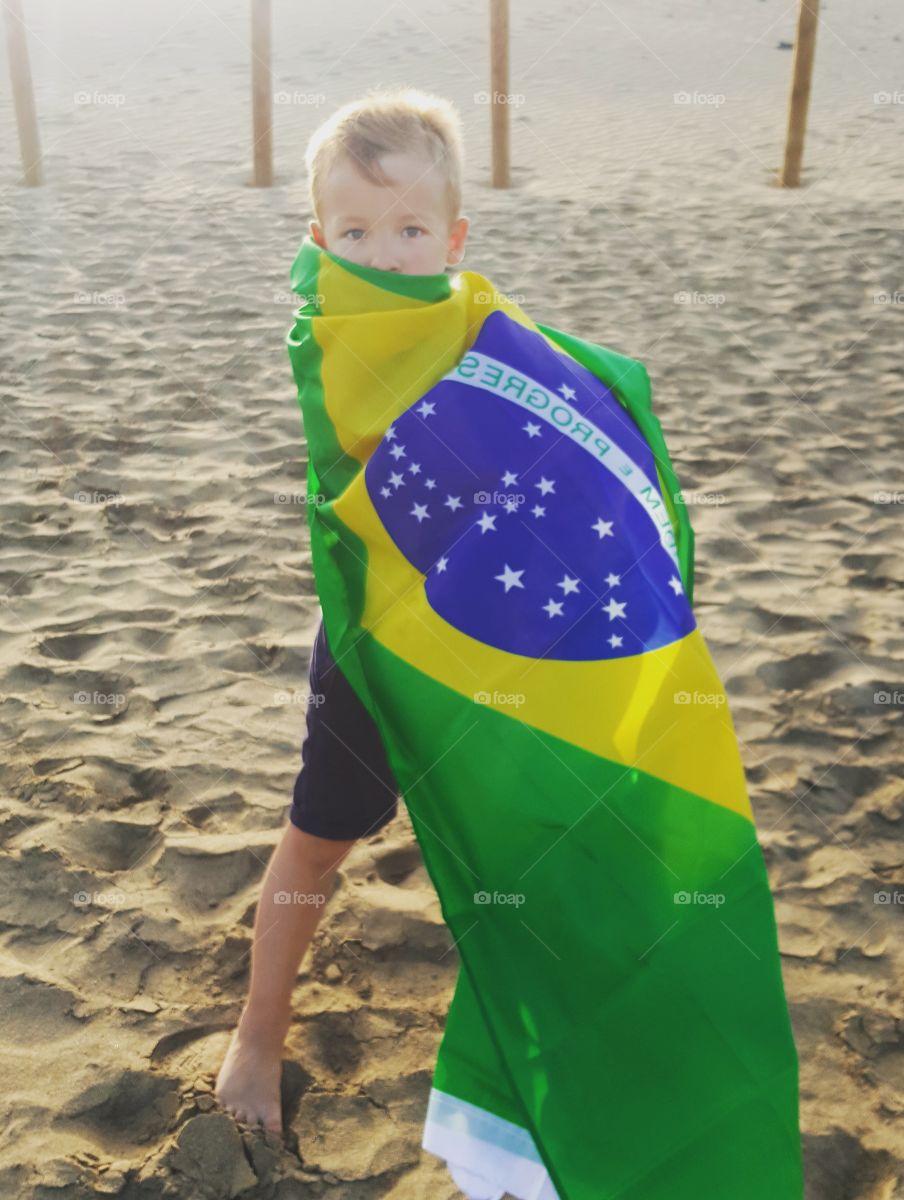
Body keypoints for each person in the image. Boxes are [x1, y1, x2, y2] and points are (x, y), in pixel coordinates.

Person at [214, 87, 469, 1139]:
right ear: (321, 241)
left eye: (412, 229)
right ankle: (257, 1036)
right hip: (368, 638)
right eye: (356, 231)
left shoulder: (494, 337)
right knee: (317, 842)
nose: (387, 252)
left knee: (505, 851)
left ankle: (524, 1045)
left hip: (486, 648)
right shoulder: (328, 337)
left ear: (454, 237)